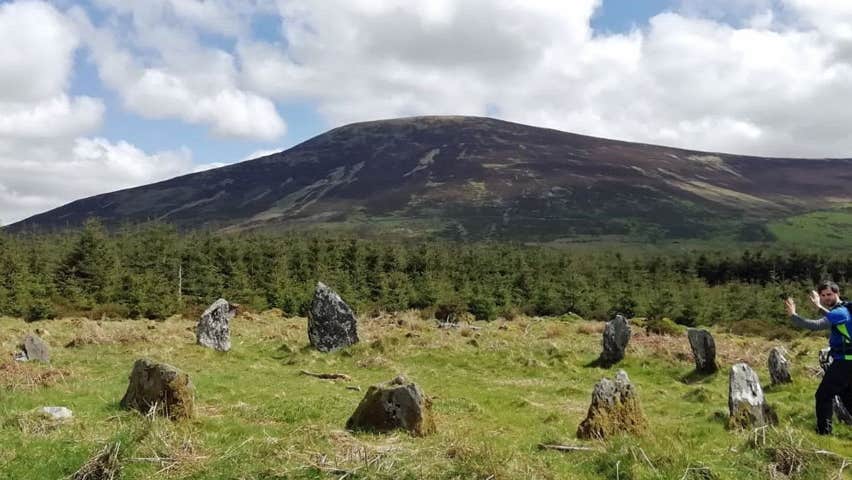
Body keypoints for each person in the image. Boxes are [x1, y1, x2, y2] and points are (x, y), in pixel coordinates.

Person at [784, 281, 852, 435]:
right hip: (847, 360)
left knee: (823, 395)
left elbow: (815, 325)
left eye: (829, 294)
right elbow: (827, 317)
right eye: (823, 295)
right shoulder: (844, 310)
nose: (826, 298)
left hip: (845, 362)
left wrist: (794, 316)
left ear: (837, 293)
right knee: (847, 396)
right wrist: (818, 307)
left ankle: (824, 432)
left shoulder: (840, 312)